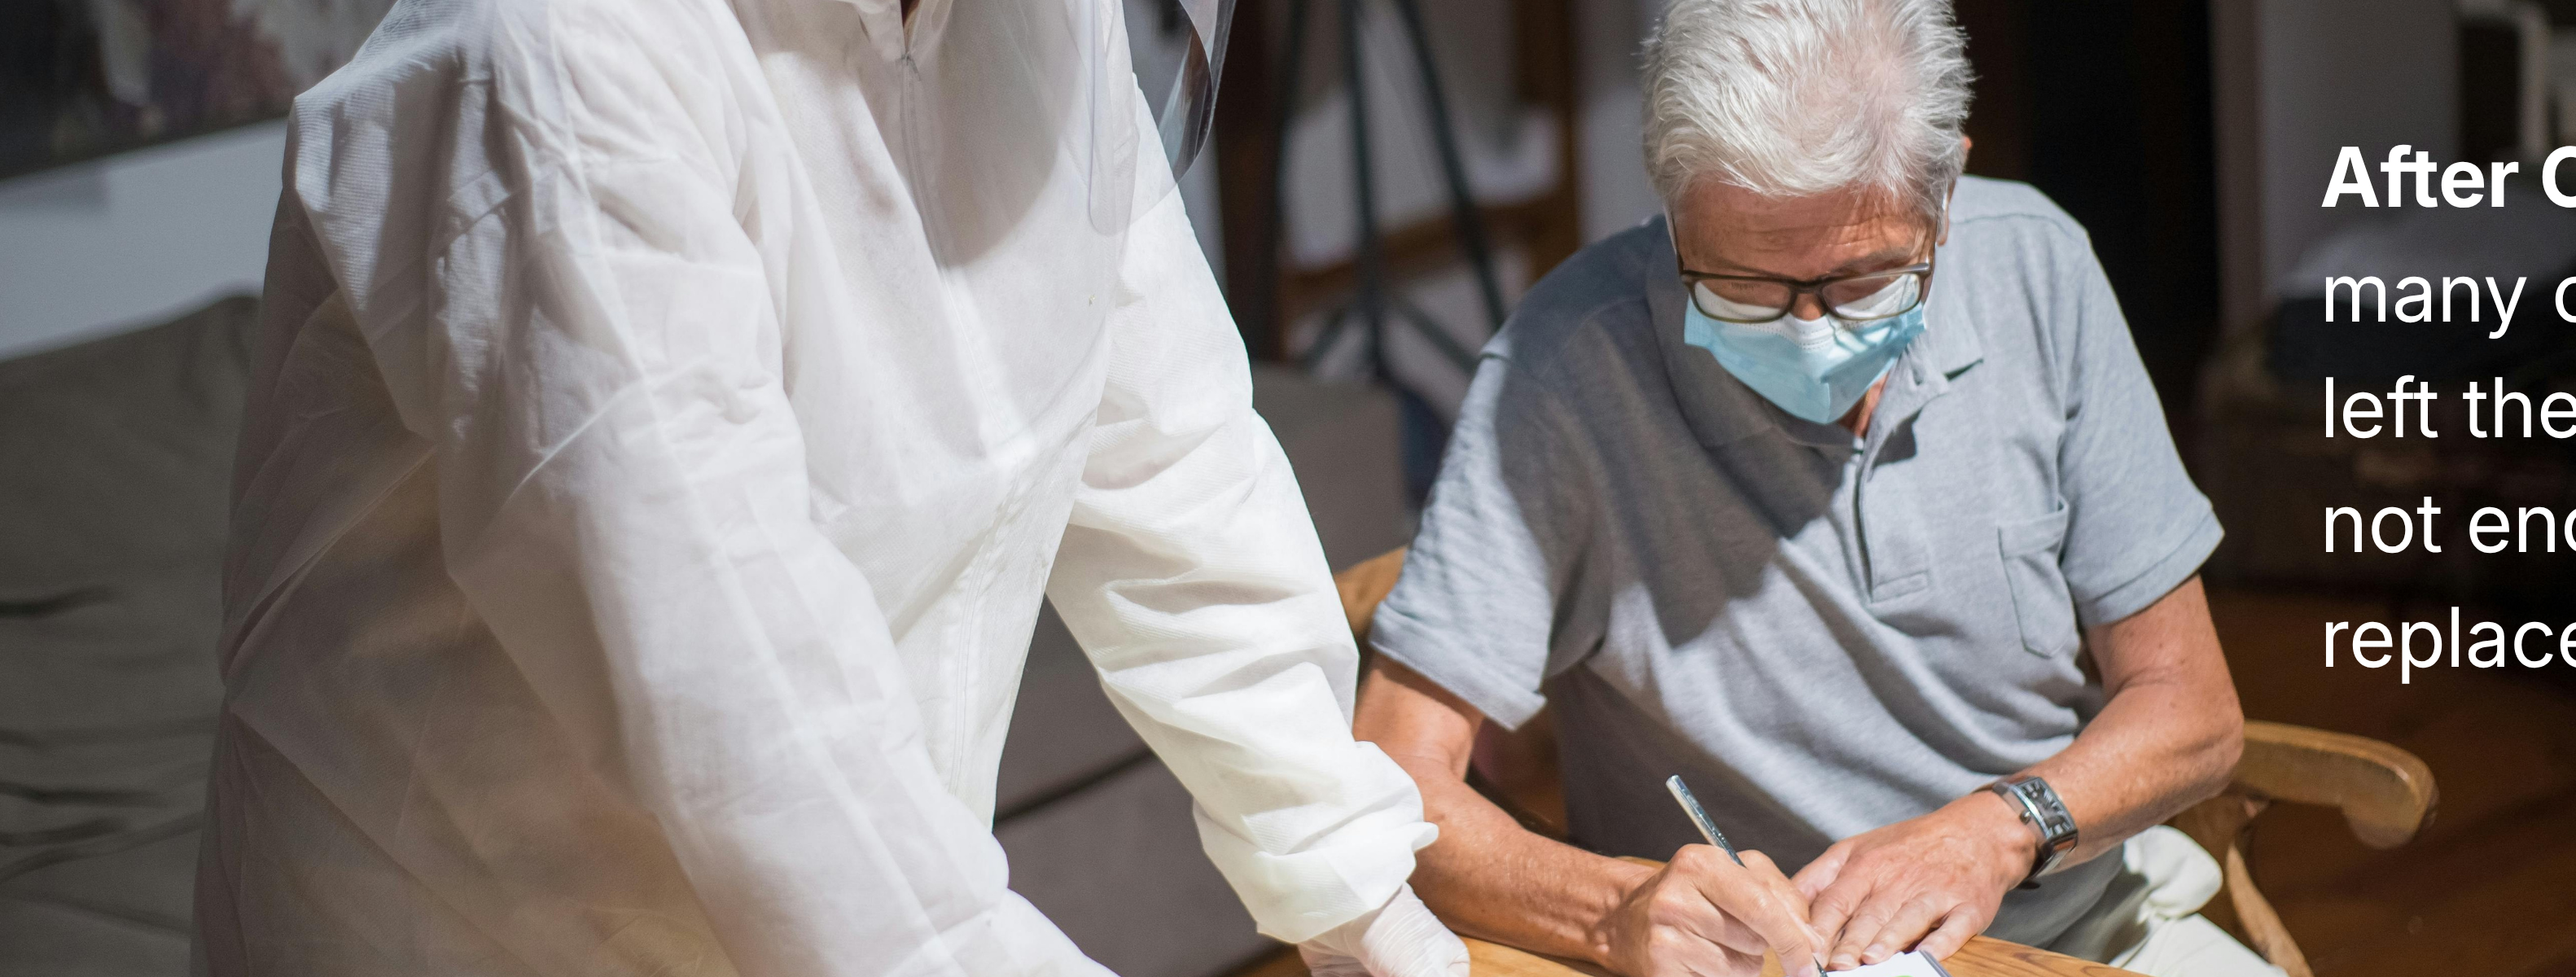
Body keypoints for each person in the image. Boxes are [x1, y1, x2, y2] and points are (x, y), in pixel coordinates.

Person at [197, 2, 1464, 976]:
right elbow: (747, 706)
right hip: (484, 930)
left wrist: (1356, 888)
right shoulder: (560, 59)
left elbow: (1171, 461)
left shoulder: (1030, 22)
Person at [1348, 2, 2277, 975]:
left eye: (1864, 282)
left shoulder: (2035, 265)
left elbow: (2192, 711)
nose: (1808, 333)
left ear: (1947, 191)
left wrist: (2001, 830)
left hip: (2089, 937)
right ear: (1674, 208)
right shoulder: (1565, 370)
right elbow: (1392, 781)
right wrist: (1613, 912)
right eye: (1743, 286)